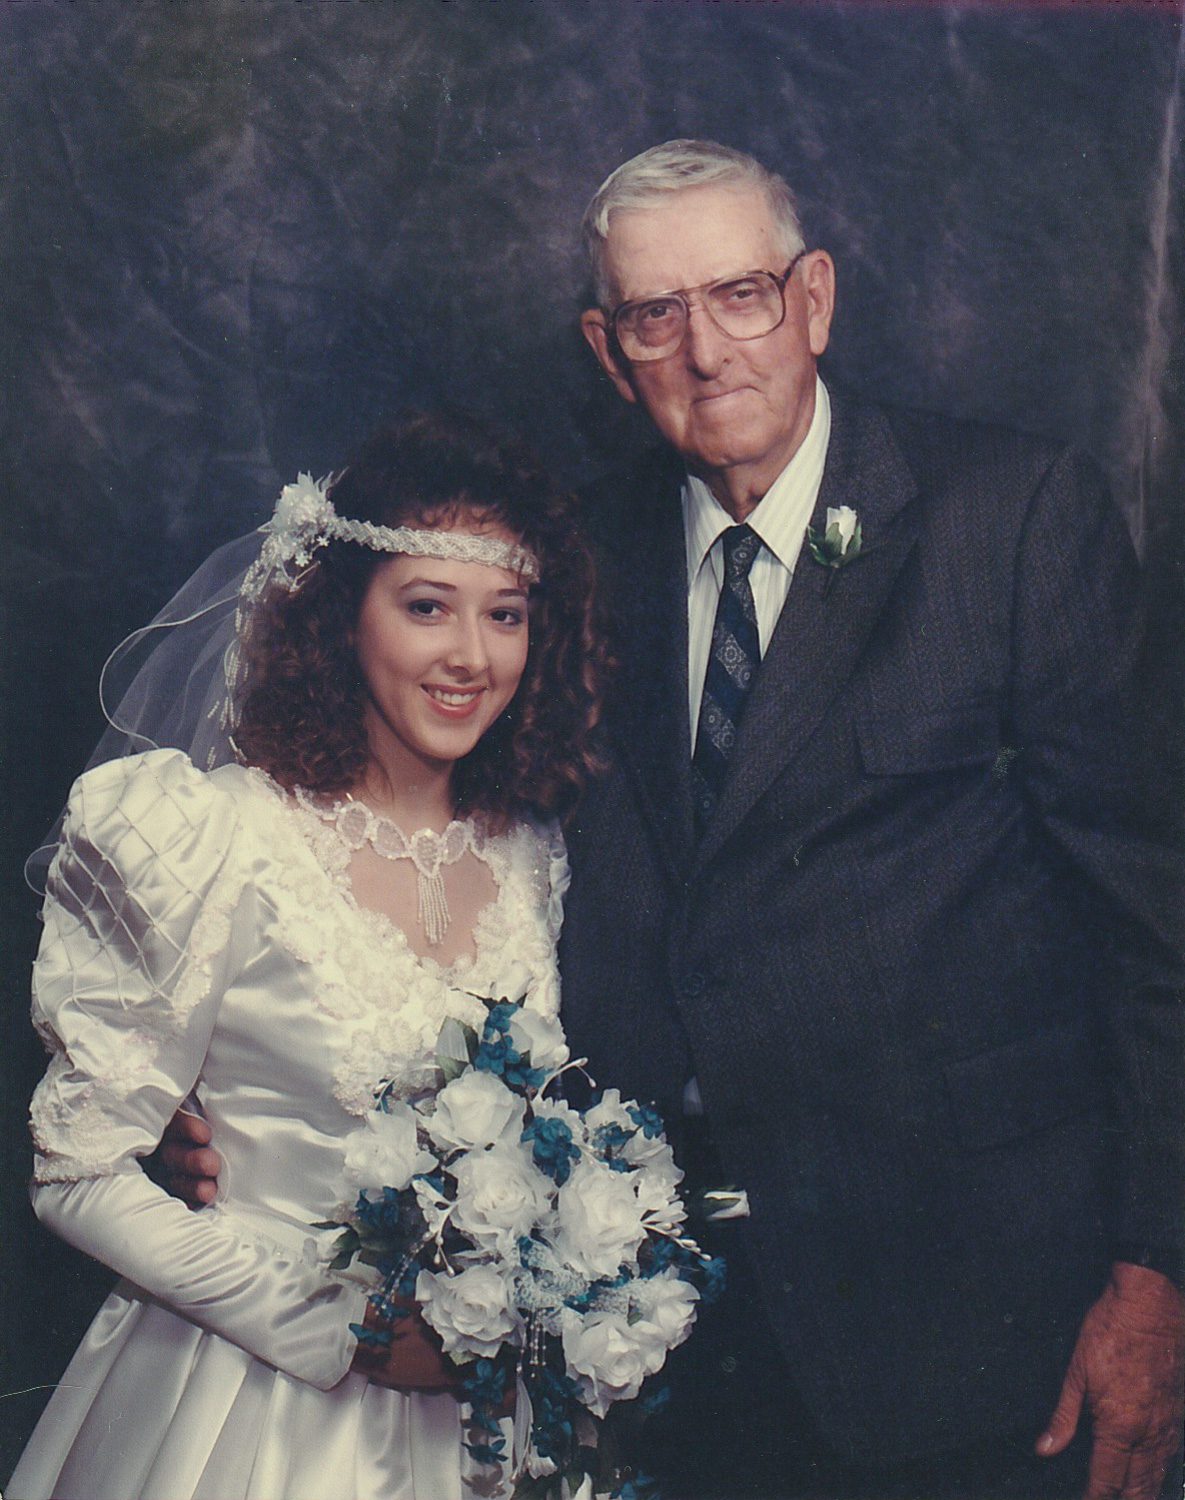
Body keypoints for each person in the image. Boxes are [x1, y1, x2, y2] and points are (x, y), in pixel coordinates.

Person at [156, 140, 1185, 1500]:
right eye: (655, 316)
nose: (705, 350)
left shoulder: (1011, 516)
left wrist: (1156, 1271)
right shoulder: (565, 563)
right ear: (607, 347)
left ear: (812, 299)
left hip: (979, 1317)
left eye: (741, 294)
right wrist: (222, 1064)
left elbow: (1158, 925)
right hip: (668, 1342)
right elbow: (422, 848)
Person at [7, 411, 607, 1500]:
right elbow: (76, 1172)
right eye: (427, 607)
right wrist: (342, 1333)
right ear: (344, 615)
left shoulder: (530, 850)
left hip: (486, 1421)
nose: (470, 656)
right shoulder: (213, 835)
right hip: (259, 1412)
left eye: (505, 615)